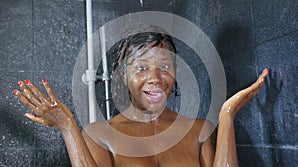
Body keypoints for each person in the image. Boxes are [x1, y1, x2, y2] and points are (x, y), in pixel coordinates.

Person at [14, 25, 269, 167]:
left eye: (165, 67)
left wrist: (227, 114)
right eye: (142, 68)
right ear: (124, 75)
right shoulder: (98, 135)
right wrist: (68, 127)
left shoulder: (199, 131)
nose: (155, 78)